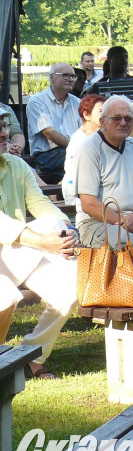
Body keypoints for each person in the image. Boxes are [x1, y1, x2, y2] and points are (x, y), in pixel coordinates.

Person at [0, 116, 78, 380]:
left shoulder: (16, 164)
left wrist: (68, 232)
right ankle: (4, 361)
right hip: (17, 250)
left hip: (15, 254)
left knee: (69, 288)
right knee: (5, 293)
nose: (4, 134)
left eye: (5, 128)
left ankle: (32, 355)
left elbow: (41, 205)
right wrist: (44, 242)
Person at [74, 96, 133, 249]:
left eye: (128, 119)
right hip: (96, 223)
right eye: (117, 118)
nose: (123, 123)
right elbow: (88, 203)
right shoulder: (90, 148)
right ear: (102, 122)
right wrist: (126, 224)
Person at [26, 63, 82, 179]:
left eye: (73, 76)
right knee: (82, 159)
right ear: (51, 77)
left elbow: (85, 130)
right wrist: (75, 148)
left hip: (74, 151)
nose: (70, 79)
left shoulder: (77, 102)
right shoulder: (37, 101)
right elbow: (49, 132)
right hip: (48, 155)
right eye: (65, 76)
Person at [62, 94, 106, 201]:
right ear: (87, 115)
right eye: (101, 112)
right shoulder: (79, 140)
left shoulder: (104, 137)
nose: (105, 116)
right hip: (81, 194)